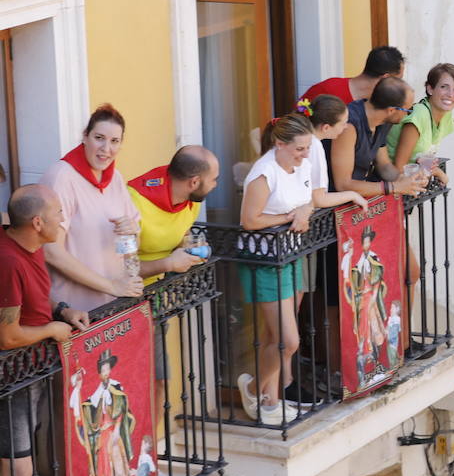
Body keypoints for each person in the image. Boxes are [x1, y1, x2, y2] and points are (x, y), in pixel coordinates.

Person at [236, 113, 366, 423]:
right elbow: (250, 221)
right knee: (288, 341)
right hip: (265, 261)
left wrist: (304, 211)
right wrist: (289, 218)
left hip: (291, 254)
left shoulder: (303, 165)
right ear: (279, 144)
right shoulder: (264, 174)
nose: (306, 154)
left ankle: (270, 401)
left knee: (275, 336)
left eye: (308, 147)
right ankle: (254, 389)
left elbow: (309, 201)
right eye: (299, 149)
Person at [0, 186, 91, 476]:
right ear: (37, 223)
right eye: (57, 212)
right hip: (12, 379)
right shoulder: (8, 260)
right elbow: (7, 336)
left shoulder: (29, 246)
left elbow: (33, 300)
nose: (62, 219)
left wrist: (61, 310)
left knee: (15, 475)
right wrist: (52, 329)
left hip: (30, 373)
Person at [40, 104, 144, 310]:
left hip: (114, 305)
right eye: (99, 138)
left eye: (114, 141)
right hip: (77, 311)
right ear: (85, 136)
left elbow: (134, 244)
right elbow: (50, 251)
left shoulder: (115, 177)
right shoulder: (61, 177)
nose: (106, 149)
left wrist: (132, 233)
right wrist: (111, 286)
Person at [125, 145, 219, 280]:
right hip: (133, 293)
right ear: (194, 182)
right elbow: (122, 268)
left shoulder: (192, 199)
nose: (215, 185)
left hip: (166, 290)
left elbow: (181, 234)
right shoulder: (133, 204)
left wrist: (189, 247)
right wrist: (169, 264)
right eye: (214, 179)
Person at [387, 62, 454, 185]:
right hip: (388, 184)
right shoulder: (420, 115)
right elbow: (398, 168)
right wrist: (438, 173)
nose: (450, 94)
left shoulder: (446, 115)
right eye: (444, 86)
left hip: (407, 187)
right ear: (430, 89)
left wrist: (426, 166)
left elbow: (423, 153)